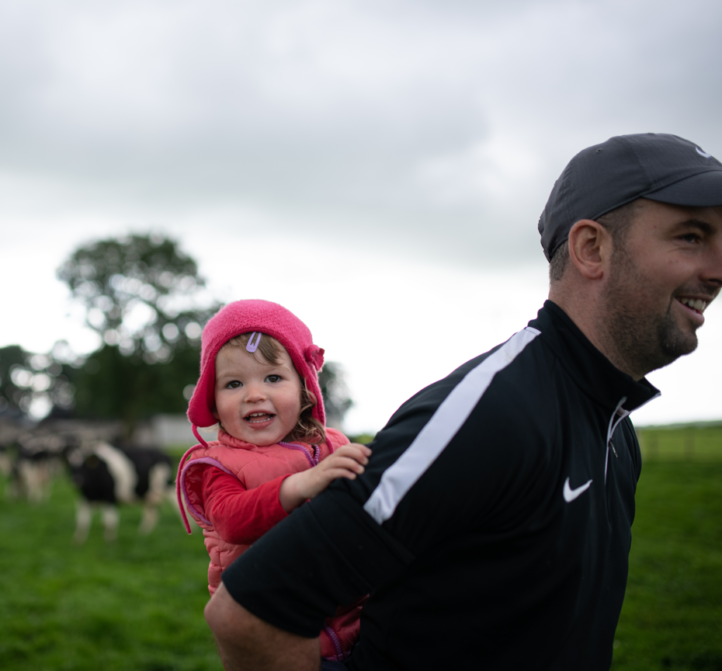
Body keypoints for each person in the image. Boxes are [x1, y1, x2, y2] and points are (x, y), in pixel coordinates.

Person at [203, 132, 722, 670]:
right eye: (690, 236)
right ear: (591, 248)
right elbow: (246, 615)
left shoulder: (614, 425)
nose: (717, 268)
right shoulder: (488, 417)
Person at [176, 299, 372, 663]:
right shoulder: (217, 465)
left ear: (304, 387)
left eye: (273, 378)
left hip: (354, 622)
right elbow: (230, 520)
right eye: (233, 383)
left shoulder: (333, 445)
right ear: (214, 402)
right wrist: (298, 486)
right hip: (273, 634)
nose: (254, 394)